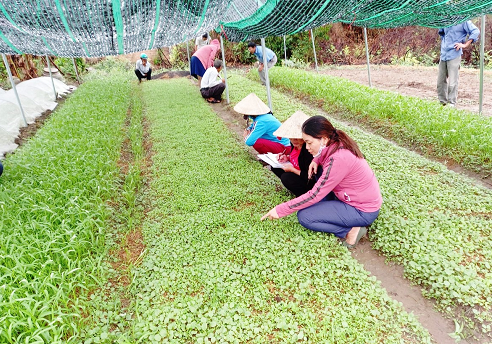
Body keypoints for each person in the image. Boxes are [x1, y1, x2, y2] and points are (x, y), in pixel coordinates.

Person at [261, 116, 383, 249]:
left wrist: (281, 210)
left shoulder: (338, 159)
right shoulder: (336, 143)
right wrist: (316, 160)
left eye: (309, 142)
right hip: (350, 197)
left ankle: (351, 231)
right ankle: (339, 215)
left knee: (305, 217)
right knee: (316, 184)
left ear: (324, 139)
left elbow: (315, 195)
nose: (306, 147)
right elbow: (323, 158)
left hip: (361, 209)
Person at [270, 111, 318, 197]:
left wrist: (292, 170)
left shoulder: (308, 150)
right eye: (291, 138)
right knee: (274, 167)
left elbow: (310, 177)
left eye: (297, 138)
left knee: (286, 177)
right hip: (297, 171)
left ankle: (304, 194)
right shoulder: (293, 144)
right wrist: (287, 158)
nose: (293, 140)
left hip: (308, 180)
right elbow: (295, 156)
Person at [437, 21, 479, 107]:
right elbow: (441, 33)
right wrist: (445, 44)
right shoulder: (446, 19)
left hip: (454, 54)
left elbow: (475, 31)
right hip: (444, 54)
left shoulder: (464, 20)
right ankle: (442, 103)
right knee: (440, 81)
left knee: (452, 81)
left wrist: (465, 45)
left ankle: (451, 103)